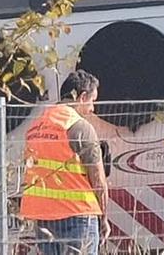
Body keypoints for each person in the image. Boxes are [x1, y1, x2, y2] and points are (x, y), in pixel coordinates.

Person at [18, 69, 108, 255]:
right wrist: (104, 217)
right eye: (93, 101)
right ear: (82, 97)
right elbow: (98, 179)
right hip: (78, 216)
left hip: (43, 218)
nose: (93, 108)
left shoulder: (36, 125)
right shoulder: (80, 127)